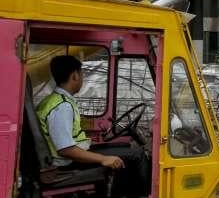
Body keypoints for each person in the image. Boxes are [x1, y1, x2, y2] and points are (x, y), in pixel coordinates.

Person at [36, 55, 149, 198]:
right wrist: (103, 159)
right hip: (66, 162)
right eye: (82, 74)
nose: (82, 78)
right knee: (138, 155)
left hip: (70, 154)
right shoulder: (62, 106)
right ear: (75, 75)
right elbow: (66, 149)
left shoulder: (55, 100)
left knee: (126, 147)